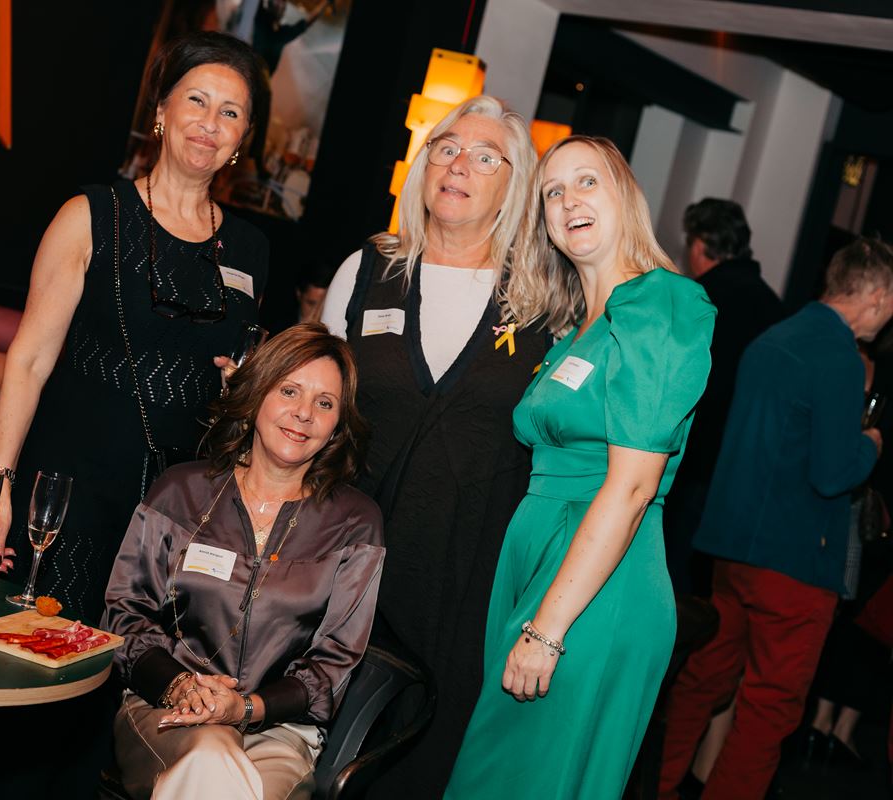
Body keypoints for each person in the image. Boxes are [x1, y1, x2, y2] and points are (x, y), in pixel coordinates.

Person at [445, 135, 715, 799]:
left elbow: (632, 487)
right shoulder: (577, 329)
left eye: (587, 181)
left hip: (598, 586)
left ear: (625, 195)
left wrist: (548, 629)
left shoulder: (660, 305)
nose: (569, 201)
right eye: (553, 192)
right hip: (545, 563)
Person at [0, 31, 271, 625]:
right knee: (39, 650)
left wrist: (242, 386)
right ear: (161, 111)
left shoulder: (251, 249)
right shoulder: (89, 216)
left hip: (177, 512)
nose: (209, 123)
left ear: (243, 137)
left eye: (230, 112)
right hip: (70, 490)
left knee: (135, 669)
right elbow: (29, 361)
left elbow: (238, 378)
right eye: (196, 100)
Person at [320, 94, 550, 798]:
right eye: (446, 148)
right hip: (346, 559)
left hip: (466, 575)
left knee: (419, 765)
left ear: (515, 187)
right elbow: (314, 402)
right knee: (311, 746)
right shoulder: (367, 269)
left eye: (485, 157)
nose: (458, 165)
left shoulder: (544, 299)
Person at [102, 322, 383, 800]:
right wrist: (181, 686)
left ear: (338, 425)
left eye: (325, 403)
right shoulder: (180, 491)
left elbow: (332, 664)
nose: (304, 414)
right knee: (210, 753)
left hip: (280, 731)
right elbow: (124, 616)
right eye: (289, 391)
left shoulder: (356, 523)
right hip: (163, 708)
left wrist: (245, 708)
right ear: (255, 395)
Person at [658, 237, 893, 800]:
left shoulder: (775, 336)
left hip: (733, 545)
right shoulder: (838, 354)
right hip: (793, 557)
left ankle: (653, 785)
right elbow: (833, 474)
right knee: (770, 709)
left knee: (702, 682)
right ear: (878, 296)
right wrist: (871, 445)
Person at [665, 198, 785, 595]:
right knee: (712, 589)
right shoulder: (775, 308)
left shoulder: (700, 301)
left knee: (672, 570)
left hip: (694, 461)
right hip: (747, 468)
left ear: (699, 245)